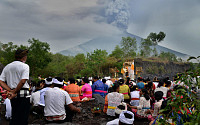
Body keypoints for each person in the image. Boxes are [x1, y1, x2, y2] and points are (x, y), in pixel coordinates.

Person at [0, 49, 30, 125]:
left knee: (15, 115)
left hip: (12, 95)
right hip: (23, 94)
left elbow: (1, 81)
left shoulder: (8, 66)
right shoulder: (25, 66)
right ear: (24, 57)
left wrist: (10, 90)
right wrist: (15, 91)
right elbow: (23, 81)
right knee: (23, 118)